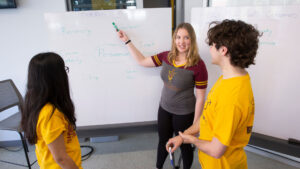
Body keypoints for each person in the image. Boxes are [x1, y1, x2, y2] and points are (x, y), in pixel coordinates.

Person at [166, 19, 261, 169]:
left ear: (223, 50)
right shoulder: (230, 78)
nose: (210, 49)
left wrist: (191, 140)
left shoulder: (231, 97)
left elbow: (216, 151)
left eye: (212, 45)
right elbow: (206, 118)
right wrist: (182, 136)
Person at [117, 23, 208, 169]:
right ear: (174, 39)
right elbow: (142, 61)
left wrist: (195, 124)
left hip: (184, 113)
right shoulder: (166, 56)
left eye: (186, 37)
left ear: (192, 40)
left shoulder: (198, 65)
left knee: (185, 144)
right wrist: (127, 41)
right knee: (163, 141)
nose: (181, 41)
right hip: (164, 108)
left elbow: (201, 97)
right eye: (178, 37)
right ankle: (158, 167)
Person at [21, 52, 82, 169]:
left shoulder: (40, 105)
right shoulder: (50, 115)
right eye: (63, 70)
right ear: (56, 78)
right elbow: (61, 158)